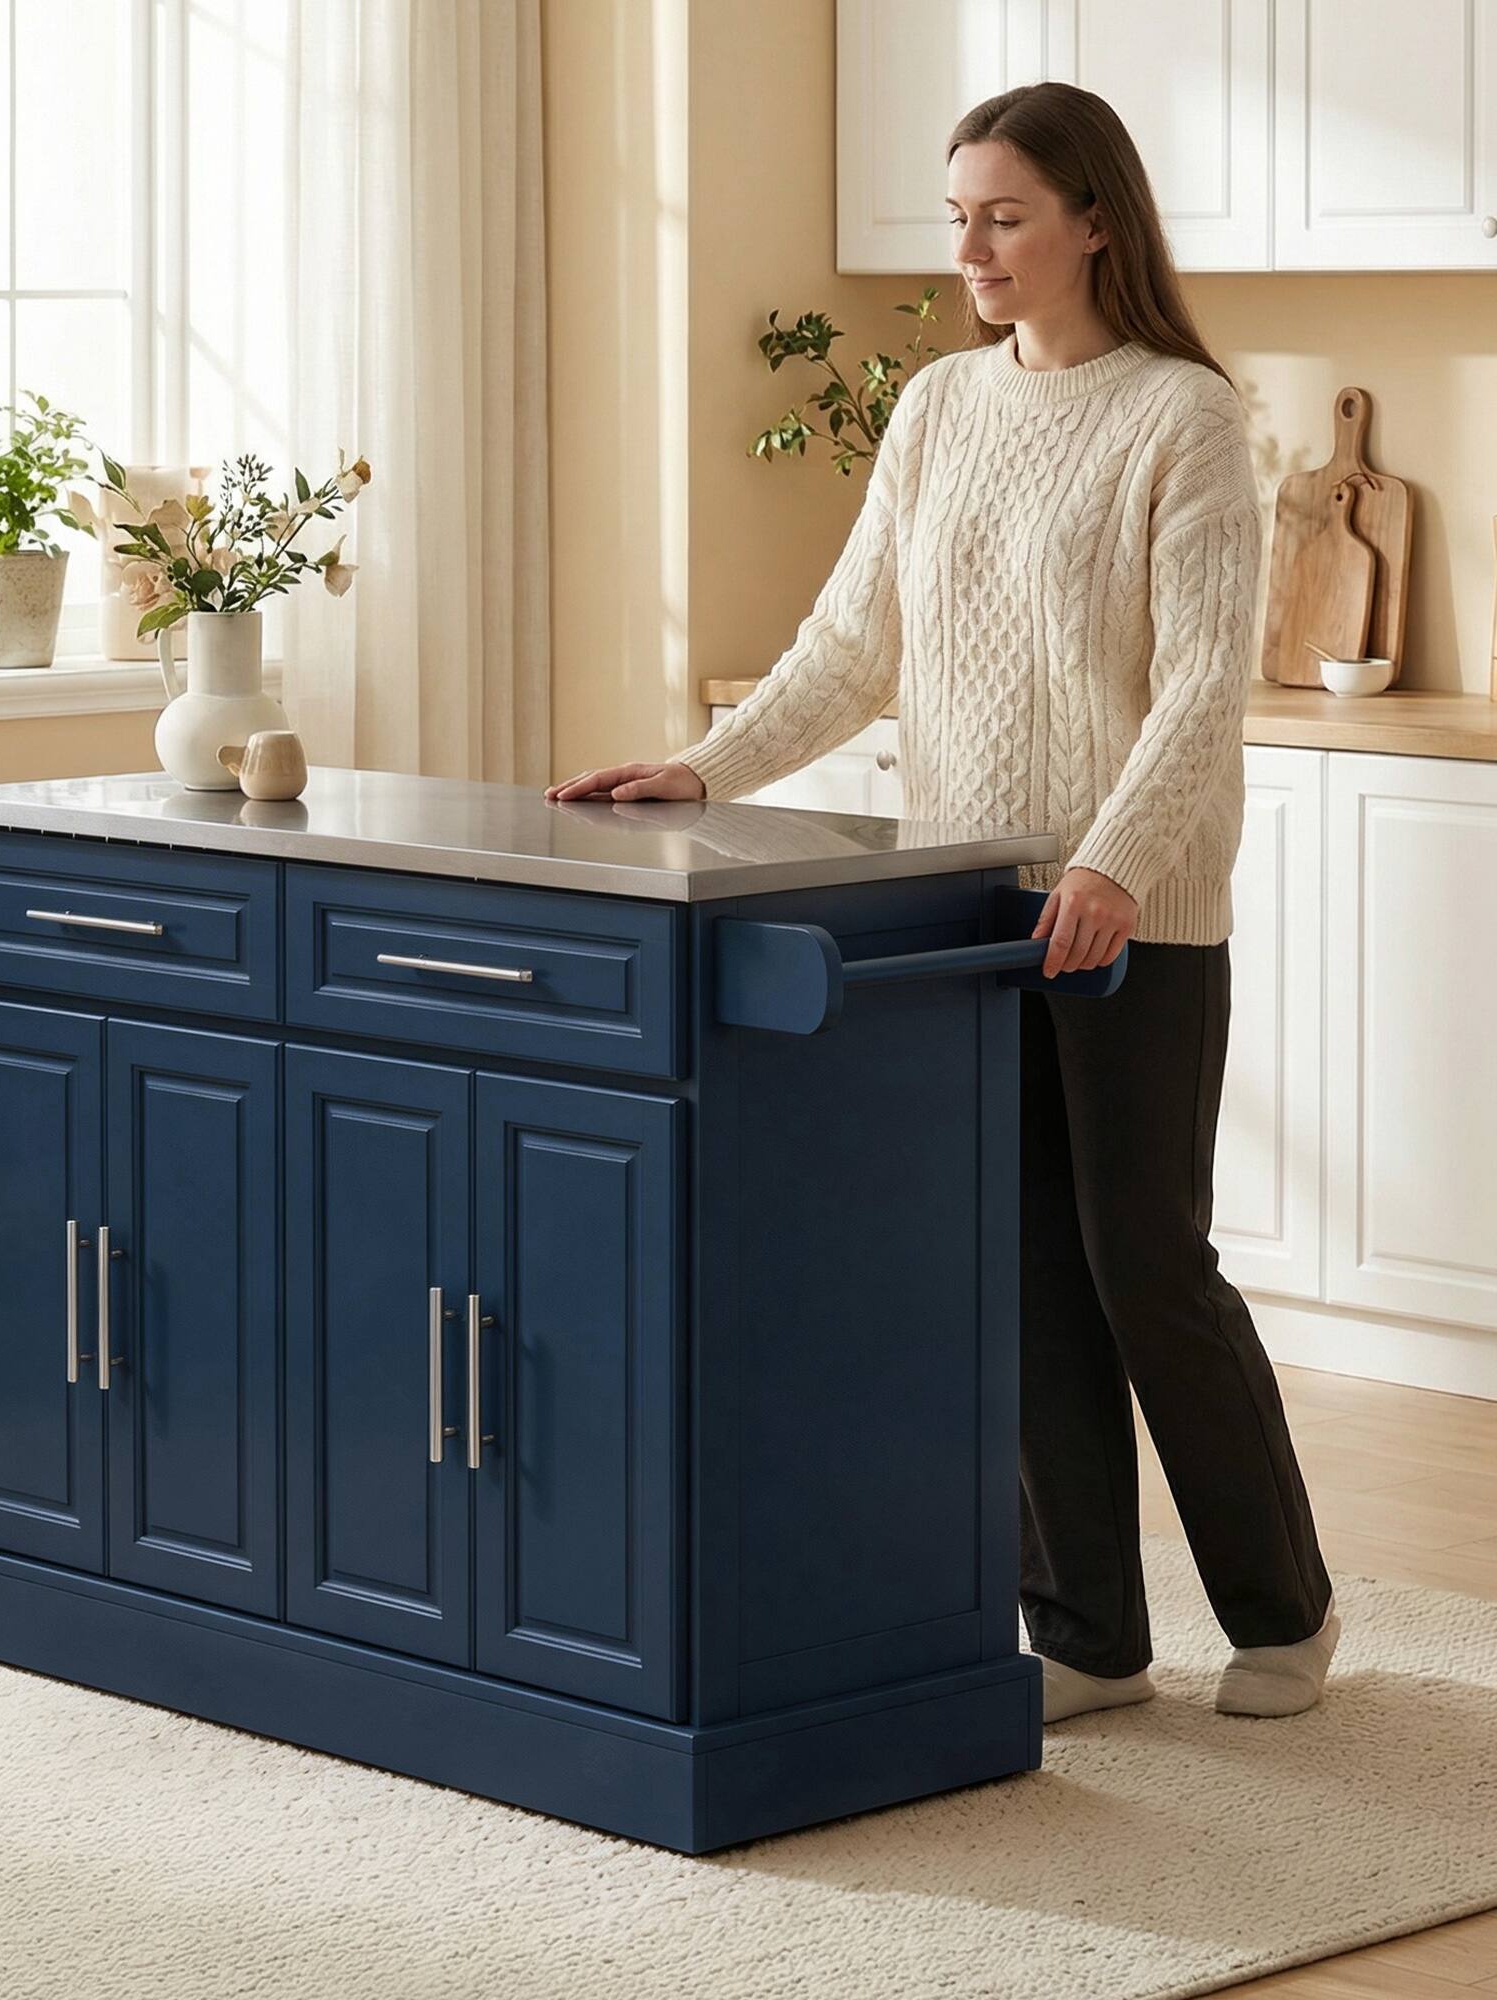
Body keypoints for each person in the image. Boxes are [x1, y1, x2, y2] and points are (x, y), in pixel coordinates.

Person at [545, 81, 1340, 1726]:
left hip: (1136, 916)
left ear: (1095, 222)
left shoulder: (1182, 417)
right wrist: (708, 767)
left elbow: (1201, 687)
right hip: (963, 909)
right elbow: (851, 644)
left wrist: (1116, 862)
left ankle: (1284, 1612)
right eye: (958, 214)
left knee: (1146, 1268)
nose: (971, 248)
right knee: (1020, 1271)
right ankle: (1090, 1638)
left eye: (1005, 216)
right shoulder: (938, 409)